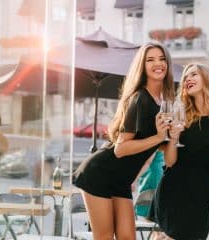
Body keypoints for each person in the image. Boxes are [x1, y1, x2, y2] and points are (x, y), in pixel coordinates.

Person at [74, 41, 175, 240]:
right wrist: (158, 137)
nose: (158, 63)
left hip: (121, 180)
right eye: (150, 60)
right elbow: (120, 149)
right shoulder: (140, 99)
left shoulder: (163, 102)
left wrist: (172, 136)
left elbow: (157, 148)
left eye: (162, 59)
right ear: (142, 66)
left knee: (128, 237)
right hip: (99, 173)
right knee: (104, 236)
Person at [149, 63, 209, 240]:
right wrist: (173, 138)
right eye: (186, 76)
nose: (188, 78)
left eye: (194, 74)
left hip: (202, 194)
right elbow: (169, 162)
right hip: (174, 192)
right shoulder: (179, 115)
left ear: (208, 79)